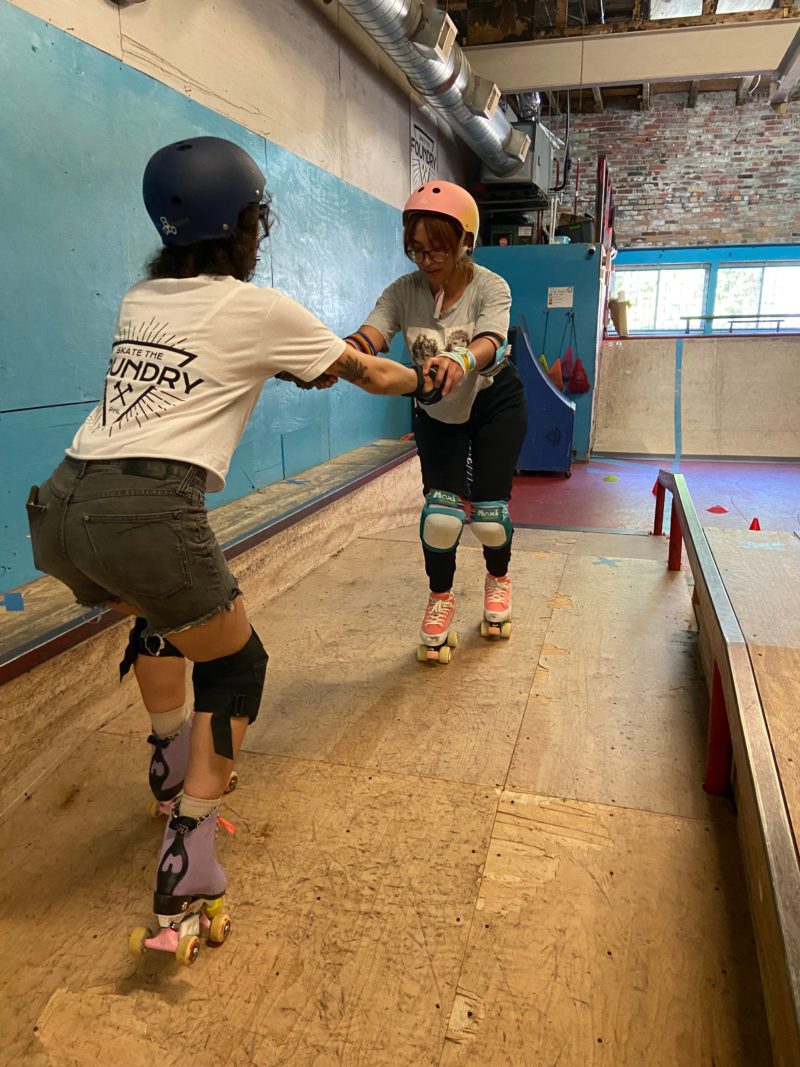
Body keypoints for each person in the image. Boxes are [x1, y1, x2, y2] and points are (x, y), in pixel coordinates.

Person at [25, 136, 439, 961]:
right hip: (149, 509)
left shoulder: (142, 299)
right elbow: (365, 373)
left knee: (161, 616)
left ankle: (165, 760)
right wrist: (437, 372)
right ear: (248, 224)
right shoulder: (263, 309)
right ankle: (189, 852)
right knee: (237, 663)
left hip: (63, 507)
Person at [344, 181, 528, 656]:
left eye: (439, 249)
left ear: (466, 241)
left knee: (489, 516)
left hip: (494, 401)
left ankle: (498, 579)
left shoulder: (491, 286)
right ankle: (440, 598)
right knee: (441, 517)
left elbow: (492, 338)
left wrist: (461, 360)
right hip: (436, 411)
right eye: (417, 250)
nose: (427, 261)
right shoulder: (403, 292)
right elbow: (371, 335)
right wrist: (335, 356)